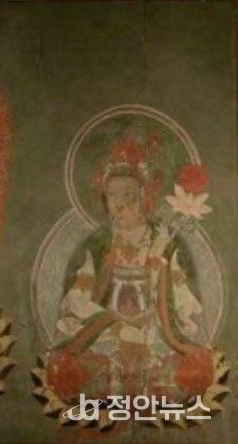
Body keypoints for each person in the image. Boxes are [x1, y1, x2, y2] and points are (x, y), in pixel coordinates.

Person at [46, 138, 213, 403]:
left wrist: (159, 267)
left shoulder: (162, 240)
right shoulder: (98, 244)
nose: (119, 204)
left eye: (127, 195)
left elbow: (180, 297)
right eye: (112, 196)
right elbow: (79, 297)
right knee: (66, 370)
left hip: (155, 329)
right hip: (106, 330)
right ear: (104, 199)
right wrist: (111, 313)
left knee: (191, 371)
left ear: (143, 196)